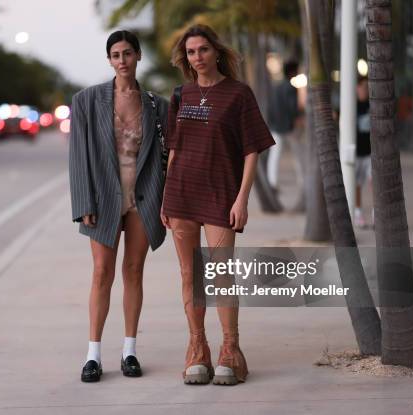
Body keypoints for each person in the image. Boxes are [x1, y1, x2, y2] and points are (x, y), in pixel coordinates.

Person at [161, 24, 275, 385]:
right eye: (191, 52)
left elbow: (252, 149)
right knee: (189, 275)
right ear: (187, 58)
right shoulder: (182, 94)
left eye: (203, 50)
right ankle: (198, 348)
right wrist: (166, 195)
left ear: (216, 52)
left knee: (221, 274)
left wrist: (242, 198)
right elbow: (174, 150)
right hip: (181, 193)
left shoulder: (239, 94)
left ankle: (231, 351)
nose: (198, 57)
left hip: (221, 193)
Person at [69, 30, 169, 382]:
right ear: (109, 60)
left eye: (128, 53)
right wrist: (84, 202)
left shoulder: (158, 106)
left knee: (134, 271)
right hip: (102, 200)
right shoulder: (87, 100)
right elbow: (78, 155)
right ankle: (93, 356)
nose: (122, 60)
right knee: (101, 274)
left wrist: (165, 201)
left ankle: (129, 351)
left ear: (138, 56)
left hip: (141, 200)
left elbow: (165, 156)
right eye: (115, 55)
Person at [266, 60, 301, 194]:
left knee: (274, 155)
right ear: (292, 71)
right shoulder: (291, 88)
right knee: (297, 155)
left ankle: (272, 182)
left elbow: (271, 107)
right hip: (288, 127)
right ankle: (301, 181)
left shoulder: (277, 87)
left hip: (275, 126)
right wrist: (297, 119)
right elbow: (293, 108)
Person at [354, 76, 372, 228]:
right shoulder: (351, 106)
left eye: (367, 87)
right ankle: (358, 212)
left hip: (370, 152)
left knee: (374, 182)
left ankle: (376, 214)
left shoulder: (372, 105)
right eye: (362, 87)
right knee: (357, 184)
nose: (364, 90)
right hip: (356, 153)